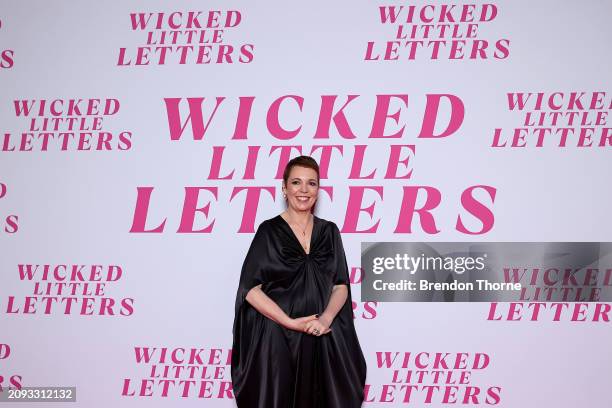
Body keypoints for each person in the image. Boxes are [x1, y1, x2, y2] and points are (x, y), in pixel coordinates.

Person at [231, 155, 367, 407]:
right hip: (278, 337)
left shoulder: (329, 231)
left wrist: (325, 319)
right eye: (296, 182)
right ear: (284, 188)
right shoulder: (268, 231)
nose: (304, 190)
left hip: (322, 336)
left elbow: (340, 285)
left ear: (318, 189)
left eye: (311, 183)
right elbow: (250, 289)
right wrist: (290, 323)